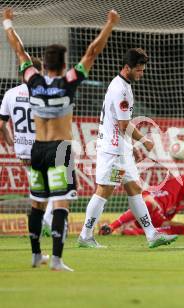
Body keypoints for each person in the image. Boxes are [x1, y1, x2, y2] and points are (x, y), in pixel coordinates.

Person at [3, 7, 119, 271]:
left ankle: (35, 255)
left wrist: (8, 23)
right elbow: (92, 52)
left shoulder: (32, 81)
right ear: (64, 65)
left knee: (36, 204)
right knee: (60, 205)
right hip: (59, 150)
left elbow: (19, 50)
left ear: (43, 65)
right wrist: (109, 24)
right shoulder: (68, 82)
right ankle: (56, 259)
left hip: (37, 149)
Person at [78, 48, 178, 249]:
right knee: (104, 191)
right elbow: (124, 126)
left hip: (120, 150)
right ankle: (85, 235)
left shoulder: (122, 85)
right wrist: (143, 140)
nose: (141, 73)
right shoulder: (121, 90)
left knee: (134, 189)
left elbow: (121, 124)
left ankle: (151, 235)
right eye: (139, 70)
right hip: (113, 151)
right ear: (127, 68)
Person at [0, 57, 54, 238]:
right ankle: (44, 222)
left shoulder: (10, 93)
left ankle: (39, 225)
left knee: (39, 189)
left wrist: (9, 138)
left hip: (23, 152)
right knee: (59, 186)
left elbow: (1, 124)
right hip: (42, 149)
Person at [99, 167, 184, 236]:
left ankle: (135, 231)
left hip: (158, 214)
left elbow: (168, 217)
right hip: (151, 201)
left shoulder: (180, 195)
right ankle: (111, 227)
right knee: (149, 204)